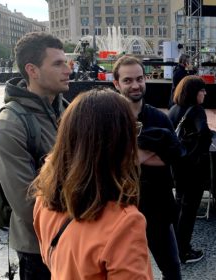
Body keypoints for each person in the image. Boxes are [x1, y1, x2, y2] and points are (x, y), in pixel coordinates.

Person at [31, 88, 153, 279]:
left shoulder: (43, 196)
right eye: (132, 131)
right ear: (119, 143)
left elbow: (49, 257)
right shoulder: (124, 224)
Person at [0, 32, 70, 280]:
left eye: (66, 62)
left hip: (75, 241)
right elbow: (27, 204)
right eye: (58, 63)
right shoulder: (9, 125)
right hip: (38, 250)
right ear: (32, 70)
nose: (68, 69)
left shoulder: (65, 109)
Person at [113, 55, 184, 280]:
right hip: (118, 209)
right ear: (116, 83)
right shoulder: (108, 117)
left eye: (140, 78)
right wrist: (153, 150)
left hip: (158, 206)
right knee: (125, 273)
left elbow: (174, 156)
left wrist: (132, 155)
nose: (135, 85)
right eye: (128, 80)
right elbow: (106, 160)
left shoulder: (159, 118)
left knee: (172, 269)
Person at [168, 75, 213, 264]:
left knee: (180, 205)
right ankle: (184, 251)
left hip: (177, 166)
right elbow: (203, 132)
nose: (205, 92)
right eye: (202, 89)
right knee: (189, 210)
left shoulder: (173, 110)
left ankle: (174, 248)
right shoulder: (197, 111)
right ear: (194, 92)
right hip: (193, 169)